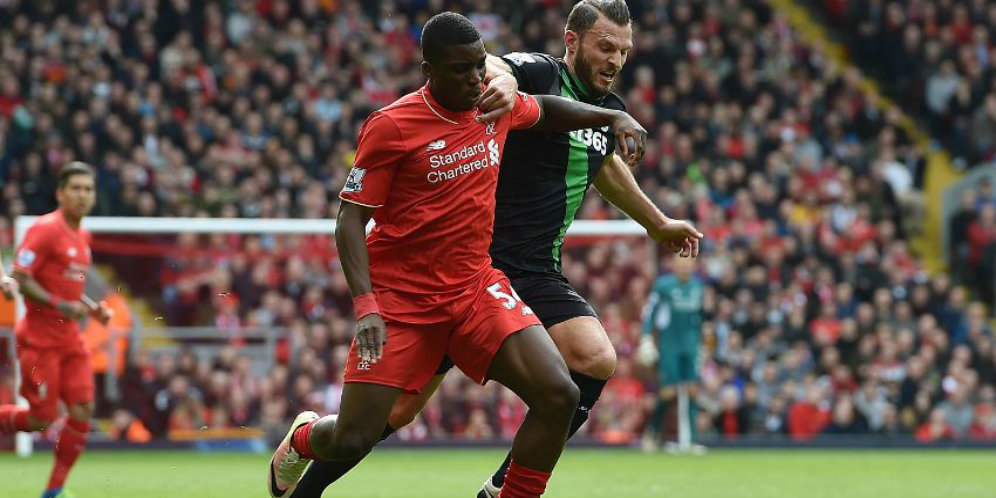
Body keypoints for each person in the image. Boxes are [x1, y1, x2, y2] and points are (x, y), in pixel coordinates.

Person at [293, 2, 701, 496]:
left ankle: (503, 488)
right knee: (390, 416)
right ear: (572, 41)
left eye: (624, 50)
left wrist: (656, 222)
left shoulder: (599, 110)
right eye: (605, 47)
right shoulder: (533, 74)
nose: (616, 59)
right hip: (467, 262)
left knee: (587, 365)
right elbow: (499, 68)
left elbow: (604, 163)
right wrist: (501, 81)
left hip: (517, 273)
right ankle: (306, 468)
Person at [0, 162, 112, 498]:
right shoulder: (45, 229)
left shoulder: (83, 235)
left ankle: (54, 490)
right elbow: (21, 277)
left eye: (88, 189)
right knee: (41, 420)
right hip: (39, 341)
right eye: (75, 188)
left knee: (82, 410)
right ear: (60, 193)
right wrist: (58, 305)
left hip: (70, 340)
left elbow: (70, 285)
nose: (82, 195)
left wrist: (92, 309)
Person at [640, 256, 704, 453]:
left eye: (689, 261)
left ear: (695, 265)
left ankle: (691, 440)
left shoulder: (698, 286)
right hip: (670, 346)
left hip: (691, 346)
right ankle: (652, 433)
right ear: (673, 264)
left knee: (693, 391)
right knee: (668, 393)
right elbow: (650, 312)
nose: (685, 264)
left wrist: (701, 343)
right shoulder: (664, 286)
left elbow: (699, 317)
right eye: (680, 261)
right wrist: (646, 338)